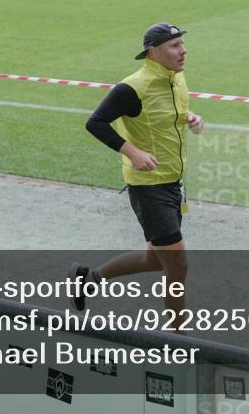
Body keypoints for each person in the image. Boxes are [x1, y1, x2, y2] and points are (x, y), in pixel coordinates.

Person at [74, 23, 204, 328]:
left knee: (155, 259)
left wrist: (191, 118)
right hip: (149, 187)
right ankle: (178, 339)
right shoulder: (132, 87)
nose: (183, 51)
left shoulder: (176, 79)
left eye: (182, 44)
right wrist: (132, 152)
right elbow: (95, 123)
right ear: (153, 52)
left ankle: (88, 279)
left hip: (173, 181)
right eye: (174, 46)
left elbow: (169, 115)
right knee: (177, 265)